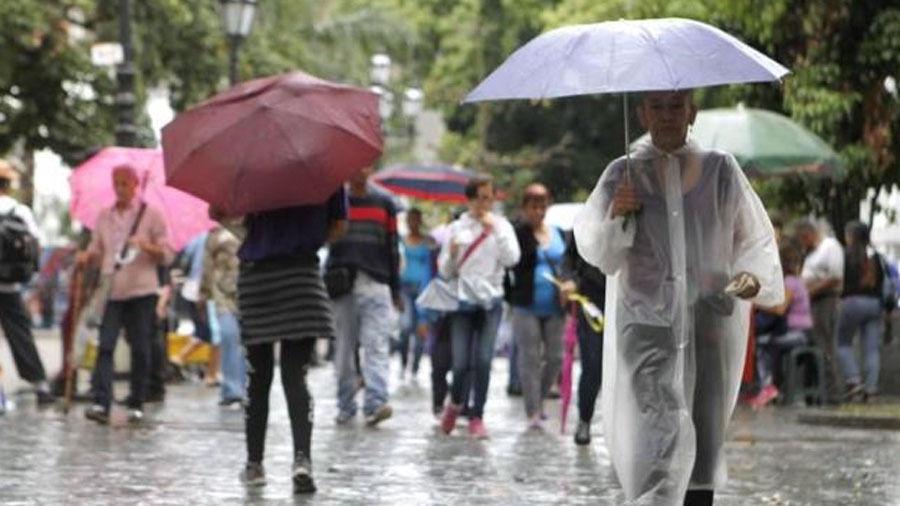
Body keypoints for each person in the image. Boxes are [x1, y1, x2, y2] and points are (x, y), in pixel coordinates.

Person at [573, 89, 783, 506]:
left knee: (703, 439)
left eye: (676, 106)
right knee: (657, 435)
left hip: (708, 322)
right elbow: (601, 254)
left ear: (692, 111)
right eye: (657, 107)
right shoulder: (622, 174)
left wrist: (749, 276)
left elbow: (753, 240)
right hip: (646, 326)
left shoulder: (721, 171)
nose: (667, 116)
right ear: (642, 113)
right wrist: (618, 214)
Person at [216, 186, 347, 494]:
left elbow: (231, 218)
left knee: (258, 377)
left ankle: (254, 464)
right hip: (301, 274)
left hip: (258, 278)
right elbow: (339, 227)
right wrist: (302, 234)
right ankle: (302, 460)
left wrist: (266, 233)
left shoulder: (252, 167)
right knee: (295, 374)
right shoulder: (326, 171)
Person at [79, 164, 173, 424]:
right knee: (105, 345)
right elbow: (97, 250)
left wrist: (144, 245)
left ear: (135, 185)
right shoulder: (104, 216)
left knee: (140, 347)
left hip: (142, 290)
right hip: (112, 290)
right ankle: (101, 401)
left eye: (124, 183)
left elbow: (167, 253)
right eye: (116, 183)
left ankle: (136, 400)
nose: (120, 189)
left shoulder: (151, 214)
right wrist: (88, 256)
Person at [438, 175, 520, 439]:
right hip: (462, 302)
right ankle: (455, 404)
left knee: (484, 359)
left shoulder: (501, 226)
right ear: (470, 199)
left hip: (490, 302)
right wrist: (451, 253)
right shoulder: (456, 228)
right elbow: (445, 272)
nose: (486, 203)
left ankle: (477, 416)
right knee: (460, 363)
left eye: (490, 197)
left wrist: (495, 229)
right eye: (481, 197)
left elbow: (512, 259)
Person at [327, 166, 400, 427]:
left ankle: (376, 402)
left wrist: (396, 289)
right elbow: (324, 240)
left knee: (377, 345)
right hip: (343, 285)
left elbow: (392, 247)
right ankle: (346, 404)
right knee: (344, 351)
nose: (359, 170)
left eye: (365, 164)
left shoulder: (385, 203)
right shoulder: (333, 200)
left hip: (376, 283)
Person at [505, 183, 568, 430]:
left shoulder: (558, 233)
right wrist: (527, 229)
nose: (539, 211)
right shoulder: (517, 233)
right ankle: (532, 409)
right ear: (524, 208)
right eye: (533, 206)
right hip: (526, 304)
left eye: (542, 206)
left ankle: (540, 398)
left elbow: (567, 264)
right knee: (529, 358)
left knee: (556, 356)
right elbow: (511, 265)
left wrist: (568, 283)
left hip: (555, 305)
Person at [0, 159, 53, 405]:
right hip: (9, 286)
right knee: (20, 335)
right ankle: (40, 385)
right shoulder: (19, 211)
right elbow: (36, 245)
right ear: (9, 185)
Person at [750, 242, 813, 407]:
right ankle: (773, 387)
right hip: (800, 333)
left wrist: (755, 304)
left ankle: (768, 387)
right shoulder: (798, 281)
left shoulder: (790, 282)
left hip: (797, 334)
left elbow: (780, 309)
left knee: (762, 344)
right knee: (770, 344)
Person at [560, 228, 606, 445]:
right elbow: (568, 260)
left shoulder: (644, 211)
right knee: (592, 364)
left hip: (630, 302)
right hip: (592, 303)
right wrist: (569, 280)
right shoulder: (587, 221)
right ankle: (584, 420)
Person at [836, 221, 888, 402]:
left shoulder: (845, 255)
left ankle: (854, 379)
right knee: (872, 349)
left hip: (852, 302)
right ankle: (871, 388)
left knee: (842, 343)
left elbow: (840, 282)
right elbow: (885, 283)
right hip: (874, 304)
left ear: (851, 236)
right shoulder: (877, 256)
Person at [795, 219, 844, 403]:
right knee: (815, 345)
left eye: (803, 239)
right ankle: (817, 392)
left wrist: (810, 290)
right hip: (812, 302)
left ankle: (832, 393)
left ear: (809, 235)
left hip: (825, 301)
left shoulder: (830, 246)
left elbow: (835, 277)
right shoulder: (811, 253)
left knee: (824, 346)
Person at [199, 225, 245, 407]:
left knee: (243, 341)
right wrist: (203, 293)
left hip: (246, 290)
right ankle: (233, 389)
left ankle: (240, 387)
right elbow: (207, 265)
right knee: (228, 335)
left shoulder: (251, 225)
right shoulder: (215, 234)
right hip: (221, 293)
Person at [397, 207, 436, 380]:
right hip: (404, 288)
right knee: (405, 328)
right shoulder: (401, 241)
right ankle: (403, 364)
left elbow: (432, 266)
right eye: (409, 219)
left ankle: (415, 368)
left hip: (422, 289)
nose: (412, 222)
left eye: (415, 219)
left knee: (421, 330)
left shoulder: (428, 242)